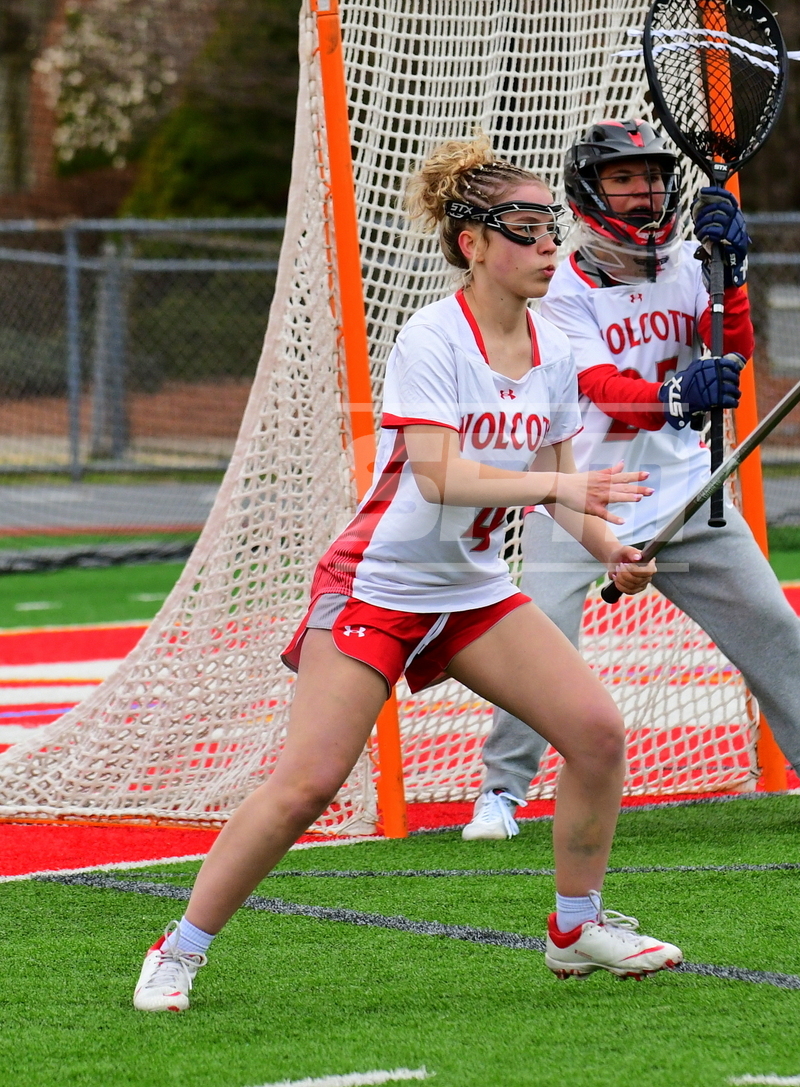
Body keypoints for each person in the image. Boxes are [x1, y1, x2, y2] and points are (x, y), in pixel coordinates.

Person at [132, 135, 684, 1013]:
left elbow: (559, 483)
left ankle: (575, 928)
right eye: (528, 231)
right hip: (377, 588)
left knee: (596, 734)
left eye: (553, 229)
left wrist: (609, 546)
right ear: (474, 243)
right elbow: (440, 476)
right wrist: (560, 488)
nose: (551, 246)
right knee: (308, 785)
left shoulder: (553, 346)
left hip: (471, 591)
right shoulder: (433, 336)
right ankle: (179, 949)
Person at [462, 119, 800, 842]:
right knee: (539, 643)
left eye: (653, 177)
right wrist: (679, 395)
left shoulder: (694, 263)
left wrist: (733, 278)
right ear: (589, 192)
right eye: (624, 179)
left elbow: (735, 348)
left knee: (773, 627)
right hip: (581, 499)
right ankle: (501, 791)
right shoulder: (560, 287)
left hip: (689, 492)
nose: (644, 192)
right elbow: (600, 386)